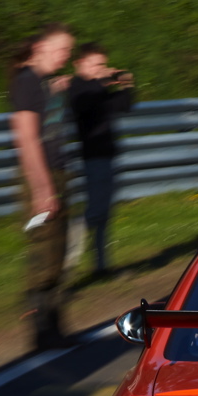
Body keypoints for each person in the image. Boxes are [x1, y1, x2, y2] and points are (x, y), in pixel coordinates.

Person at [10, 24, 76, 350]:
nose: (66, 56)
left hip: (56, 173)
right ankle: (41, 333)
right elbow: (26, 139)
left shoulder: (41, 82)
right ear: (40, 47)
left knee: (58, 252)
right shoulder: (26, 81)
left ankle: (55, 328)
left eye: (69, 50)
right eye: (61, 49)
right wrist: (42, 188)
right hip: (41, 176)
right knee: (44, 253)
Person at [68, 42, 131, 279]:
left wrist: (126, 84)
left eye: (102, 64)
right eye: (95, 65)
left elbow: (124, 105)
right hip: (93, 157)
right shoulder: (78, 87)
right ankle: (67, 256)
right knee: (95, 212)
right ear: (79, 64)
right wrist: (102, 81)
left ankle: (101, 266)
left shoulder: (97, 88)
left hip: (107, 154)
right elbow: (83, 104)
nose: (100, 69)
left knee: (104, 214)